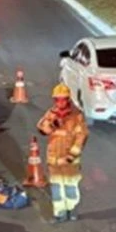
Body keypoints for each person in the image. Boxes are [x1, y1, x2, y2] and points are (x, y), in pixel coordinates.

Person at [36, 83, 89, 224]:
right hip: (54, 159)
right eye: (57, 99)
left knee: (70, 186)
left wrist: (71, 156)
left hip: (69, 160)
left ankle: (72, 210)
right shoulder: (51, 113)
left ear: (68, 99)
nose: (60, 102)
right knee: (56, 188)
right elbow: (41, 128)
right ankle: (59, 213)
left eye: (63, 99)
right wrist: (52, 123)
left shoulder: (77, 116)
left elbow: (81, 137)